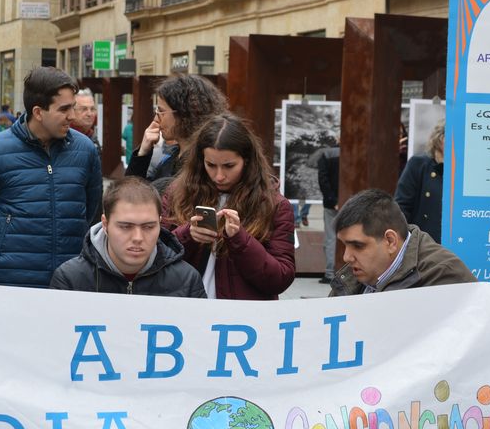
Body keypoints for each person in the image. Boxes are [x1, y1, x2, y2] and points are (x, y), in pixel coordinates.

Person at [0, 67, 102, 288]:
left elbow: (91, 210)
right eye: (64, 109)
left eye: (73, 107)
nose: (72, 116)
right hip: (12, 280)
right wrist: (5, 250)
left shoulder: (86, 150)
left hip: (72, 279)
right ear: (38, 112)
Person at [163, 113, 295, 300]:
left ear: (247, 161)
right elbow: (156, 256)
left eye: (229, 166)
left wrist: (241, 241)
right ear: (200, 161)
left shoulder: (275, 205)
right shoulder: (177, 193)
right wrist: (188, 235)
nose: (219, 176)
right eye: (211, 165)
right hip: (187, 313)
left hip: (243, 319)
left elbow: (281, 278)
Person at [50, 177, 205, 297]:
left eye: (148, 227)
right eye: (125, 227)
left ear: (160, 223)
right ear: (105, 224)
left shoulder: (186, 280)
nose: (138, 237)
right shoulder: (70, 279)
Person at [329, 189, 475, 296]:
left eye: (358, 246)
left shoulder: (443, 276)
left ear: (391, 241)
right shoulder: (353, 274)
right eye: (344, 245)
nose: (347, 257)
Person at [126, 74, 228, 182]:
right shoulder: (172, 156)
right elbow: (133, 194)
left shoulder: (205, 163)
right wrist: (142, 154)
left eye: (161, 111)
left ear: (184, 114)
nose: (156, 119)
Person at [395, 121, 444, 243]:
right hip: (422, 242)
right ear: (440, 139)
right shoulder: (419, 164)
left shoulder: (463, 170)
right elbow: (402, 206)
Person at [315, 138, 340, 284]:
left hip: (331, 205)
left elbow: (323, 180)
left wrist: (332, 200)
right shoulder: (355, 152)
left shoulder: (326, 154)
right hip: (351, 203)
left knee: (331, 238)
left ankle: (330, 273)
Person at [71, 89, 102, 159]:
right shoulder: (63, 137)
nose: (89, 114)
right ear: (72, 111)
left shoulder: (92, 137)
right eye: (84, 109)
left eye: (92, 109)